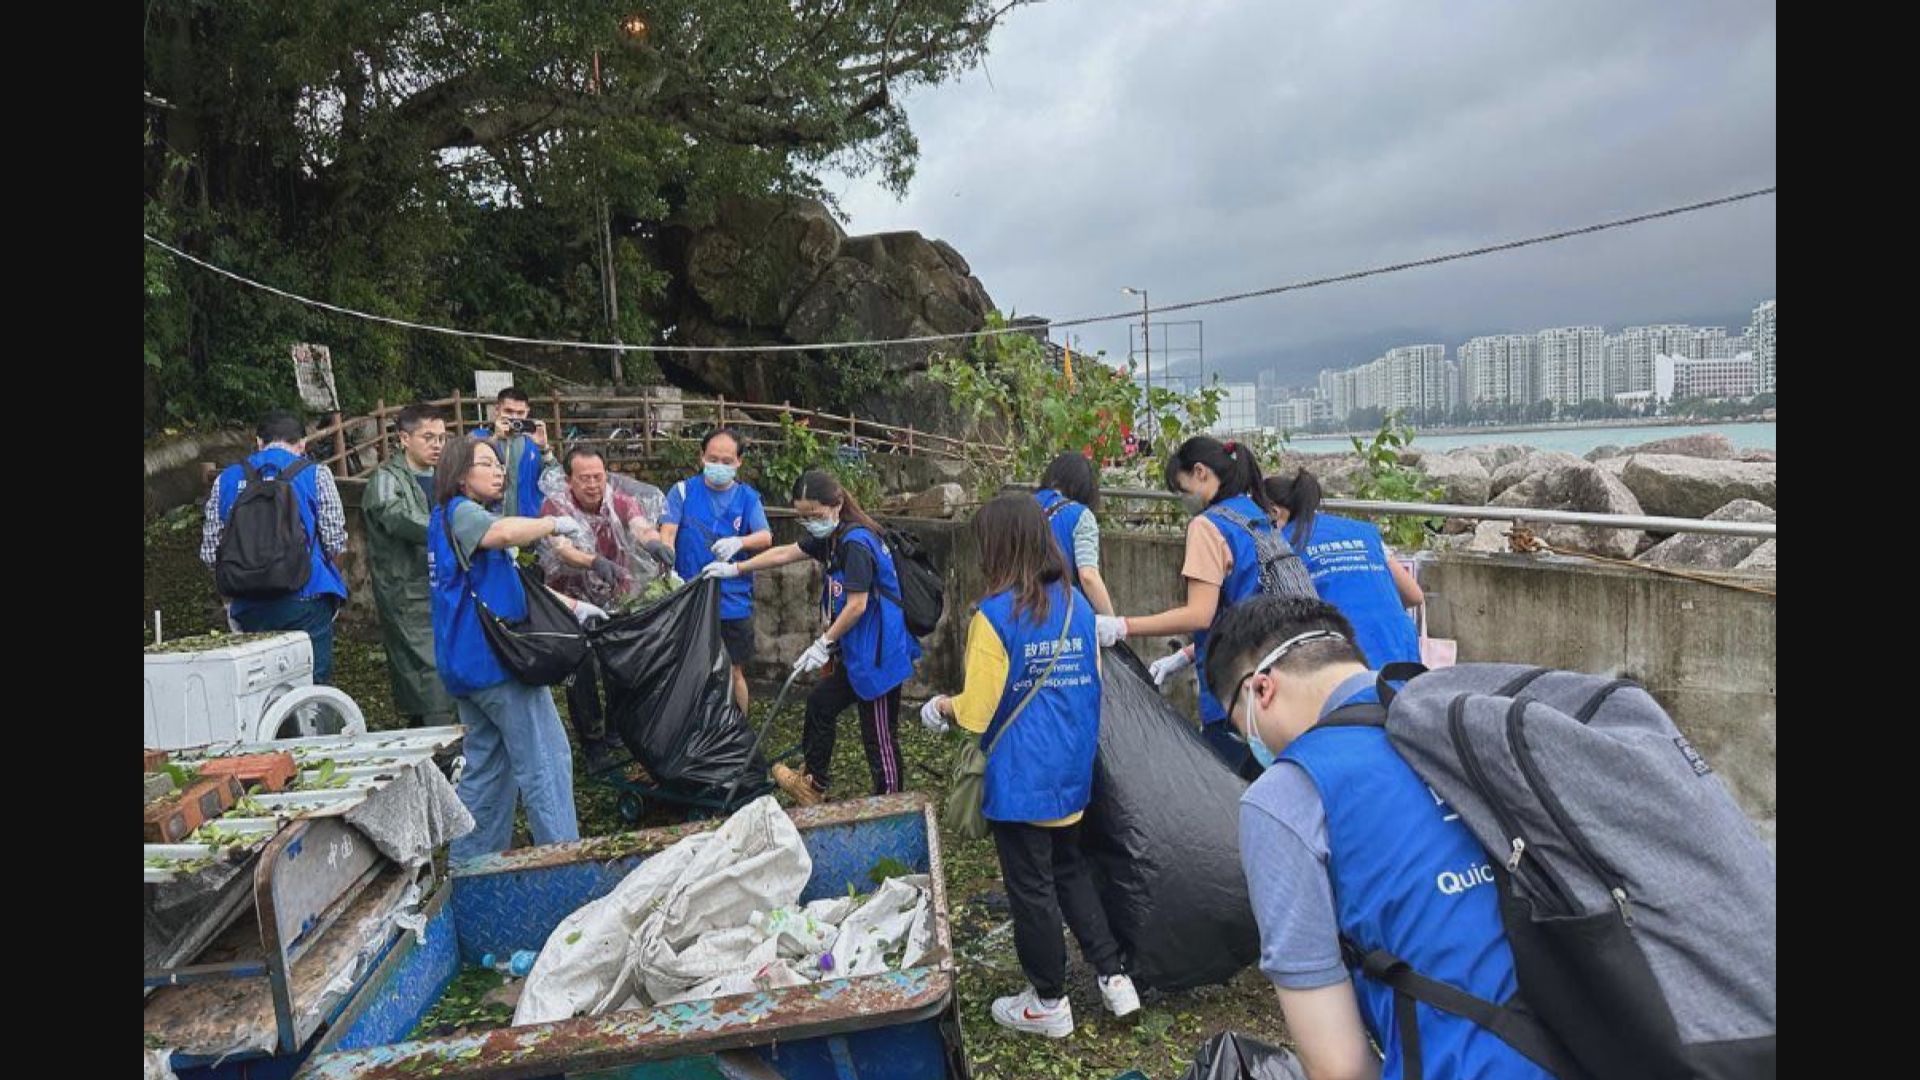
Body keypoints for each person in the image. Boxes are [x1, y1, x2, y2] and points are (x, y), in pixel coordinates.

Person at [1206, 595, 1554, 1080]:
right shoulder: (1473, 714)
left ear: (1261, 689)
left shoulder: (1287, 796)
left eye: (1239, 727)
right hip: (1612, 1042)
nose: (1251, 744)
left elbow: (1340, 1068)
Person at [918, 495, 1139, 1037]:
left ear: (997, 548)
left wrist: (941, 707)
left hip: (1021, 777)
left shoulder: (993, 618)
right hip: (1071, 770)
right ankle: (1114, 979)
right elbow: (1095, 684)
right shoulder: (1078, 608)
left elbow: (978, 710)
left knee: (1032, 887)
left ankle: (1048, 1001)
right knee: (1070, 870)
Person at [429, 436, 601, 860]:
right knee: (546, 762)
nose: (498, 471)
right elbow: (504, 532)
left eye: (498, 464)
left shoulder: (451, 519)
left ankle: (473, 866)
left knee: (487, 770)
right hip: (497, 666)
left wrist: (576, 606)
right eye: (485, 463)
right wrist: (553, 524)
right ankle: (564, 861)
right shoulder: (465, 514)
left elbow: (506, 585)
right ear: (460, 475)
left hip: (467, 669)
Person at [705, 470, 919, 806]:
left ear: (836, 505)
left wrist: (823, 644)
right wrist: (736, 569)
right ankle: (814, 784)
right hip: (855, 652)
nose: (810, 523)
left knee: (878, 736)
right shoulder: (832, 537)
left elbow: (857, 606)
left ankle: (891, 804)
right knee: (820, 704)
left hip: (878, 655)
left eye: (815, 515)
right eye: (803, 517)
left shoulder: (856, 544)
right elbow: (785, 553)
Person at [1093, 436, 1279, 780]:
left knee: (1227, 797)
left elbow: (1200, 614)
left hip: (1234, 689)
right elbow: (1243, 606)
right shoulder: (1255, 515)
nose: (1183, 501)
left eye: (1181, 490)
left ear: (1200, 473)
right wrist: (1186, 656)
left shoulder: (1208, 526)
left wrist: (1123, 626)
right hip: (1274, 679)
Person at [538, 444, 676, 771]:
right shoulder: (554, 506)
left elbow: (639, 524)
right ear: (569, 480)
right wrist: (593, 561)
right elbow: (561, 549)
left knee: (620, 660)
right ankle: (592, 742)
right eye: (584, 478)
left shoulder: (618, 501)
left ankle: (617, 727)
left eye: (598, 477)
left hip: (615, 593)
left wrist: (654, 542)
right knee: (581, 670)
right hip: (571, 600)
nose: (592, 484)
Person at [200, 410, 350, 683]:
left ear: (259, 442)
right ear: (302, 443)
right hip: (307, 598)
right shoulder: (316, 474)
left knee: (261, 689)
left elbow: (211, 552)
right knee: (310, 688)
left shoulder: (227, 479)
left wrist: (237, 588)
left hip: (248, 605)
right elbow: (335, 541)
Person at [1264, 469, 1424, 670]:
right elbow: (1414, 595)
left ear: (1273, 512)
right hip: (1399, 645)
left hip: (1344, 656)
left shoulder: (1281, 543)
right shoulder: (1363, 531)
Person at [661, 428, 773, 711]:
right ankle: (693, 731)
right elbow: (668, 533)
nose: (719, 466)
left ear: (738, 463)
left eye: (727, 461)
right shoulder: (683, 492)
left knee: (734, 671)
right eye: (713, 459)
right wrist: (667, 567)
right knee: (689, 670)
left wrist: (740, 541)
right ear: (701, 457)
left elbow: (765, 537)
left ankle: (739, 735)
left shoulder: (747, 498)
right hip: (690, 597)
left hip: (732, 600)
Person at [362, 403, 457, 726]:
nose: (436, 445)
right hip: (409, 593)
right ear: (404, 438)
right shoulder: (386, 480)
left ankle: (443, 747)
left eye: (442, 438)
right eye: (427, 437)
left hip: (447, 587)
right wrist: (454, 532)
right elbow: (397, 517)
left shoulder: (446, 476)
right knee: (426, 673)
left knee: (450, 665)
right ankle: (442, 752)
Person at [1032, 452, 1116, 616]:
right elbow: (1088, 576)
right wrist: (1113, 622)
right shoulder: (1080, 515)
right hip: (1064, 615)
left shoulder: (1025, 506)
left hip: (1020, 612)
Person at [470, 386, 552, 518]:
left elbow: (556, 482)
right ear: (497, 410)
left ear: (527, 412)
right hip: (489, 522)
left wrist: (544, 449)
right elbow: (463, 470)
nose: (514, 417)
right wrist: (495, 439)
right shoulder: (477, 437)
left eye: (520, 413)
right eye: (508, 411)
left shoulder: (533, 442)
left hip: (528, 524)